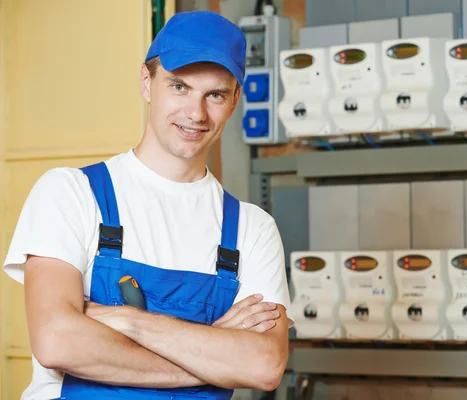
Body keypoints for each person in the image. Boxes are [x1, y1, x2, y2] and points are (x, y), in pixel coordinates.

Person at [2, 10, 293, 400]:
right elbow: (57, 340)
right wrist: (212, 357)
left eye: (215, 95)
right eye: (179, 87)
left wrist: (129, 321)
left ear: (235, 100)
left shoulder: (252, 229)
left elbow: (263, 365)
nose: (196, 113)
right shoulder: (71, 193)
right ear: (146, 82)